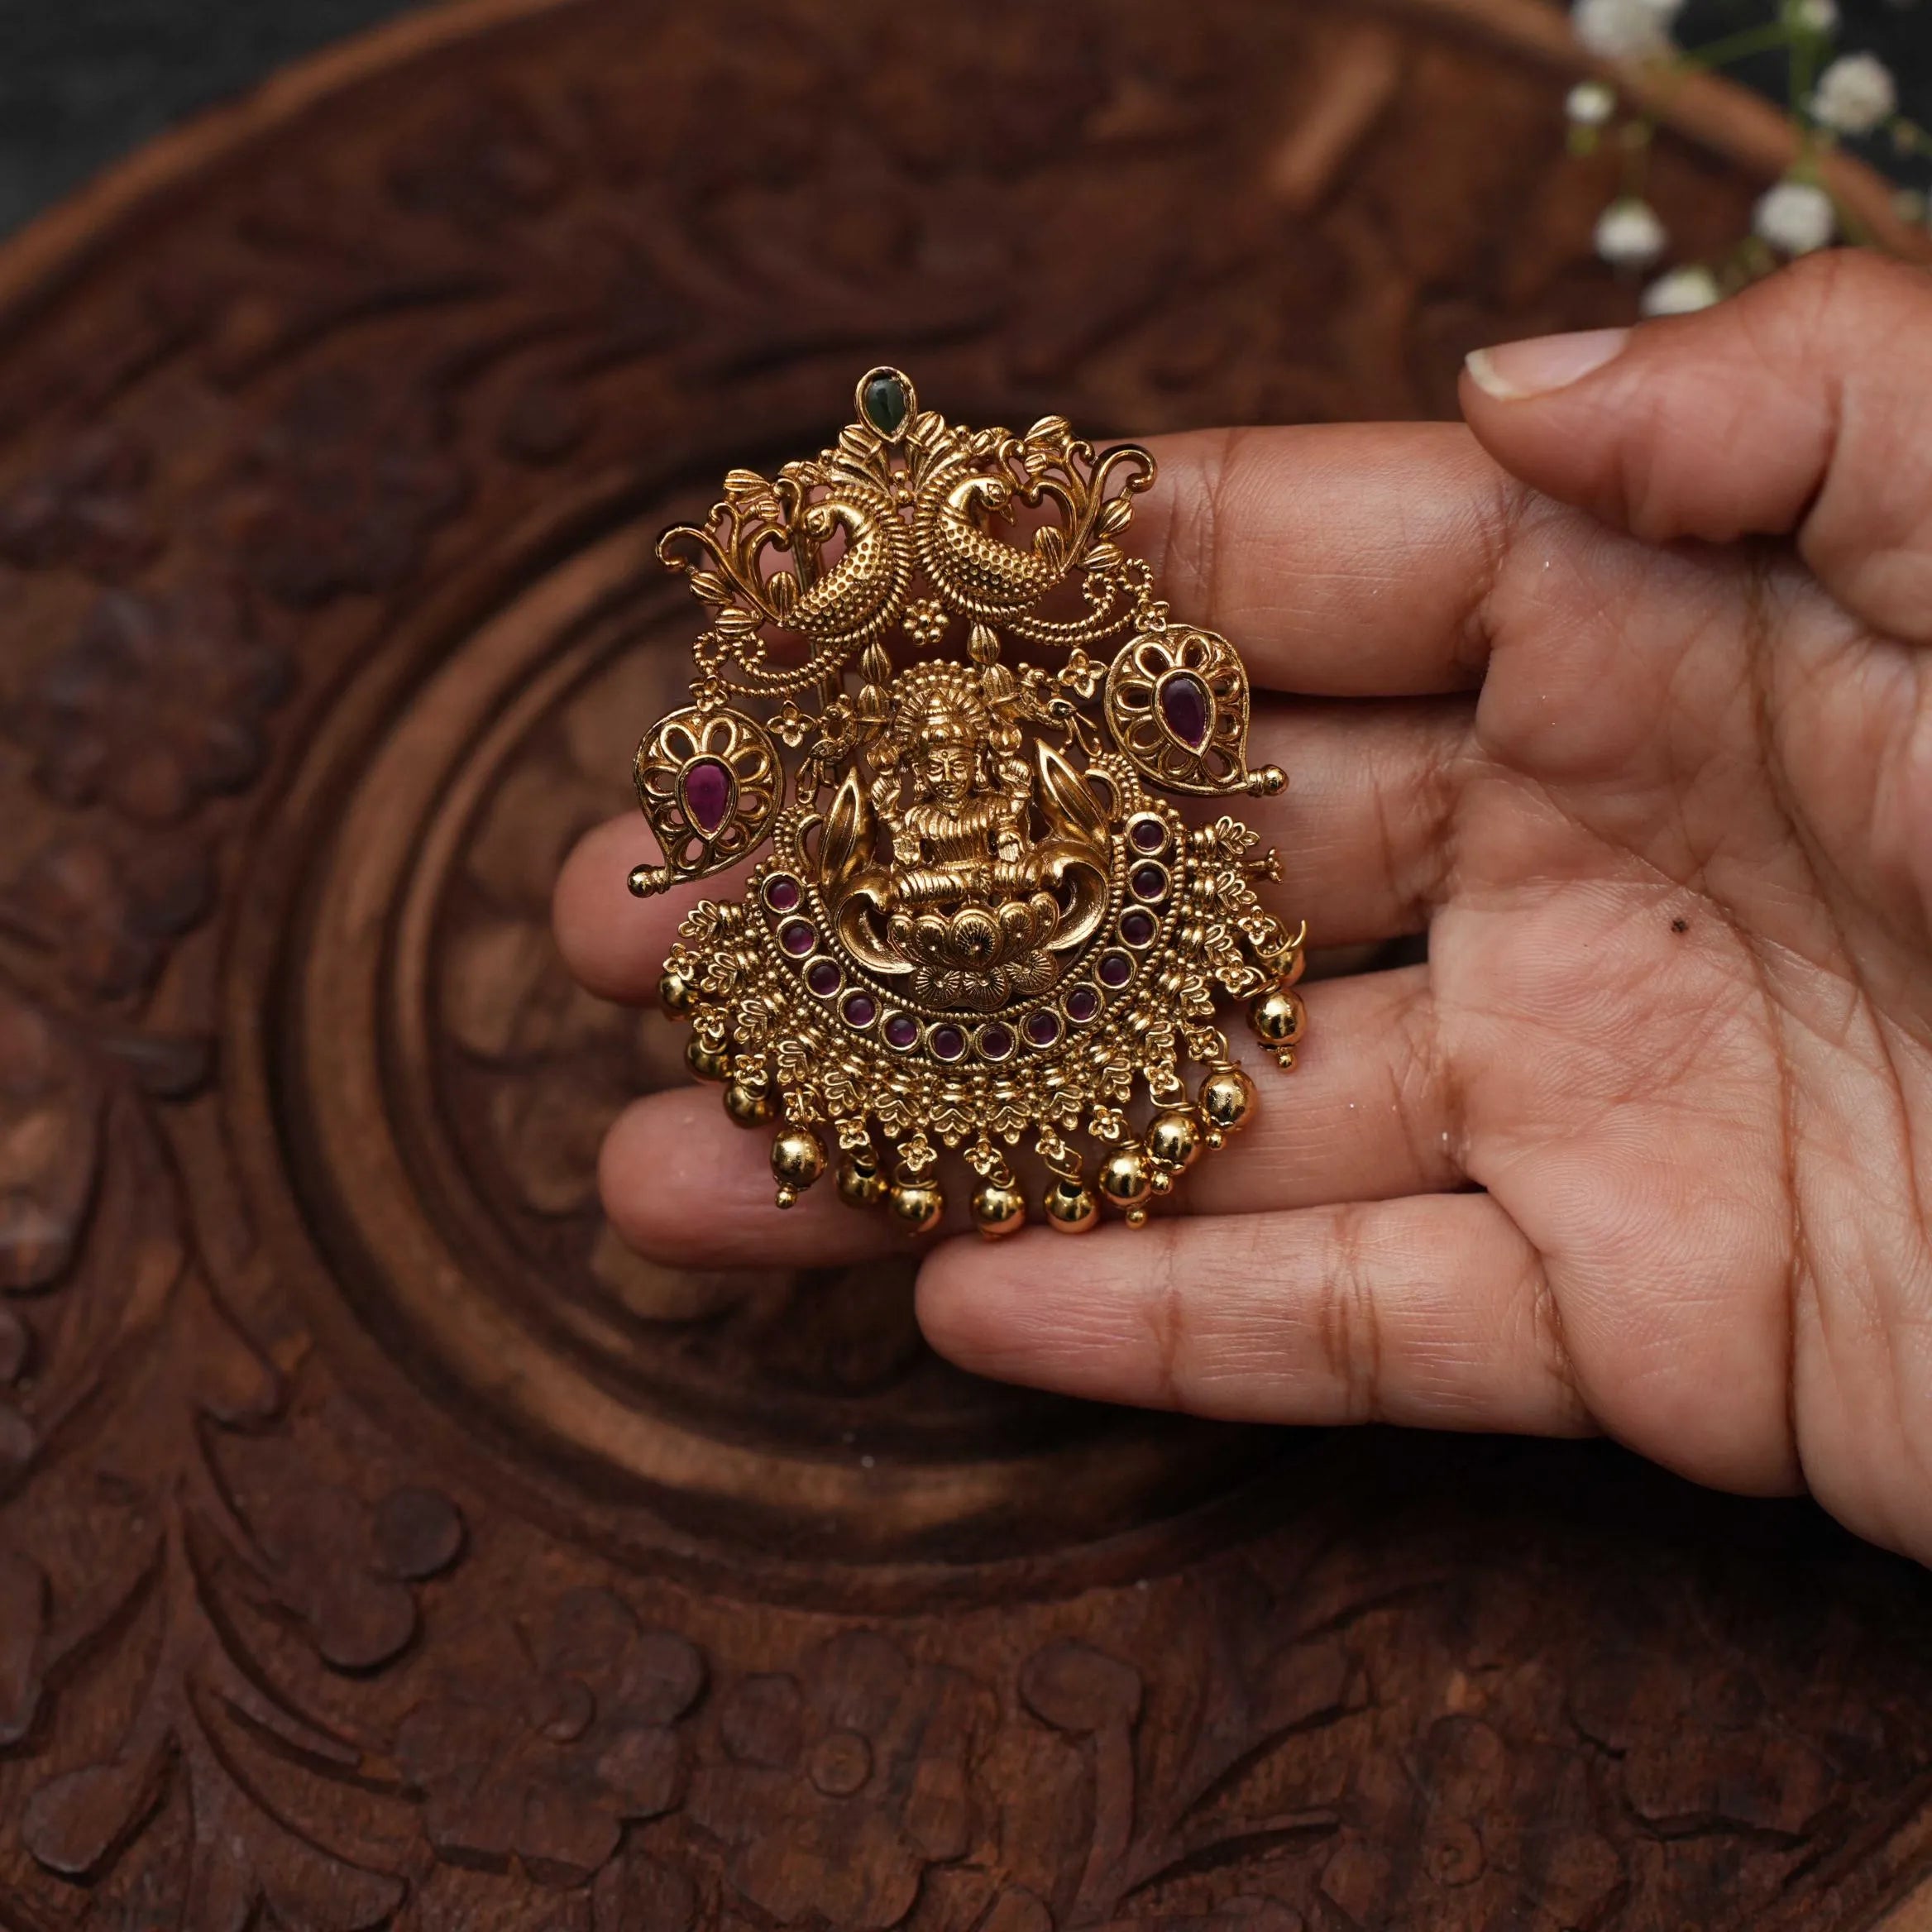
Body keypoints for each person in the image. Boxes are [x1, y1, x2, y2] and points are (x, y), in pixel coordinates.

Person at [553, 251, 1932, 1567]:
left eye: (971, 749)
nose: (950, 769)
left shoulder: (1055, 761)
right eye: (919, 756)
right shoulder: (873, 787)